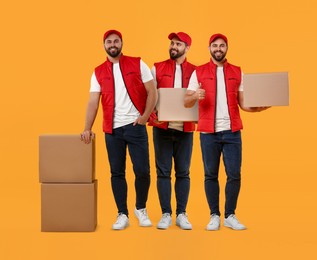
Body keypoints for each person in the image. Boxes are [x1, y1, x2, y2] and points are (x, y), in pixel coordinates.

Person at [184, 33, 269, 231]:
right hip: (208, 133)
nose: (218, 49)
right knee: (210, 175)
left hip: (232, 132)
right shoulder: (199, 72)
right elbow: (186, 102)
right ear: (209, 48)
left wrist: (259, 108)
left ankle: (230, 215)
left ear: (227, 48)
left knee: (234, 174)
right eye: (215, 45)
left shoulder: (238, 71)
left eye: (222, 46)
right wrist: (195, 95)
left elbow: (244, 103)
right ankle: (214, 215)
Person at [81, 29, 157, 230]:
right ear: (104, 45)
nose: (112, 44)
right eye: (108, 41)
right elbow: (92, 103)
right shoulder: (97, 72)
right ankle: (122, 213)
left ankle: (140, 208)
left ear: (121, 43)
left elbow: (152, 92)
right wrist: (87, 128)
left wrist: (144, 117)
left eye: (116, 41)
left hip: (135, 126)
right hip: (112, 131)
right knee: (117, 172)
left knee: (142, 171)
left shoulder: (138, 63)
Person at [149, 32, 196, 230]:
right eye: (172, 43)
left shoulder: (196, 71)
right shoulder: (157, 67)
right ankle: (166, 213)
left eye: (178, 44)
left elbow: (202, 97)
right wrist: (152, 114)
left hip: (185, 130)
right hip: (162, 128)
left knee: (183, 172)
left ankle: (181, 214)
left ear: (187, 48)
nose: (173, 47)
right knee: (163, 172)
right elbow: (149, 95)